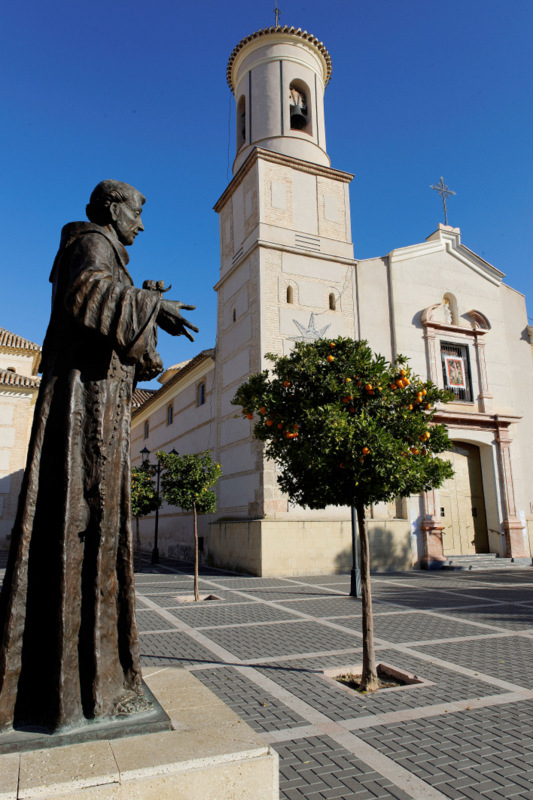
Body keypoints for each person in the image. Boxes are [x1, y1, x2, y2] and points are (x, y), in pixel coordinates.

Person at [0, 180, 197, 733]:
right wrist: (149, 305)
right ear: (113, 209)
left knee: (102, 534)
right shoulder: (88, 243)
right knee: (81, 526)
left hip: (106, 408)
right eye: (137, 212)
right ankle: (78, 691)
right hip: (81, 406)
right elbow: (86, 297)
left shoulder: (113, 256)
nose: (142, 223)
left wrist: (147, 314)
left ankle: (101, 680)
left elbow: (137, 359)